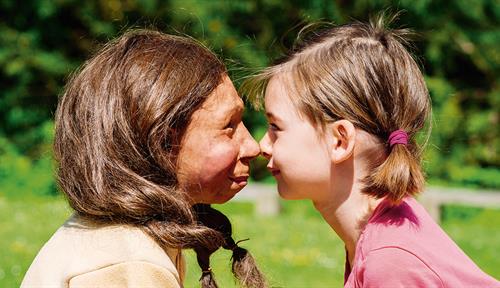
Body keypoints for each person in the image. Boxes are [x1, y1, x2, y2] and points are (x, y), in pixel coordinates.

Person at [246, 16, 500, 287]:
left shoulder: (390, 263)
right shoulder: (380, 237)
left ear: (340, 141)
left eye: (275, 127)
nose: (262, 145)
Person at [21, 30, 266, 288]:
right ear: (164, 142)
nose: (252, 146)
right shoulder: (130, 264)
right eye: (229, 125)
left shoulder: (127, 242)